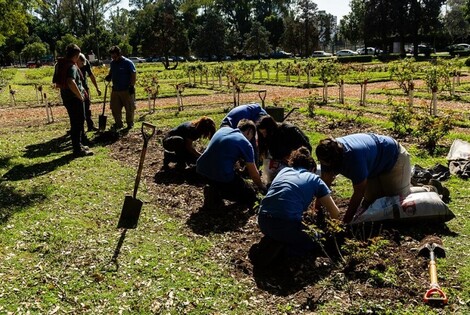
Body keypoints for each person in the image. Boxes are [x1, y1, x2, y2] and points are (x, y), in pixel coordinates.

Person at [256, 147, 339, 262]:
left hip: (263, 221)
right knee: (316, 239)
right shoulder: (315, 179)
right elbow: (335, 212)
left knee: (285, 229)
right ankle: (284, 251)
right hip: (285, 225)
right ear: (313, 169)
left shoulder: (283, 172)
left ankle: (275, 240)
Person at [315, 133, 411, 223]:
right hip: (373, 167)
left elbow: (358, 193)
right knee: (370, 202)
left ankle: (423, 189)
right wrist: (317, 210)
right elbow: (324, 184)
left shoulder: (354, 160)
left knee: (394, 202)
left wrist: (345, 222)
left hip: (394, 158)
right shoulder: (326, 154)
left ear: (334, 160)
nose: (323, 165)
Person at [196, 119, 267, 211]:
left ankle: (214, 190)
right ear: (249, 131)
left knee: (224, 181)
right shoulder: (245, 143)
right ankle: (217, 193)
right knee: (249, 195)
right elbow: (254, 175)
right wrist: (262, 186)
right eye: (252, 137)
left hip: (201, 170)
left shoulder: (223, 130)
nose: (251, 140)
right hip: (221, 175)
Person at [52, 44, 92, 157]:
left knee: (75, 122)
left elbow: (57, 84)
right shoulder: (72, 66)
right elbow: (70, 81)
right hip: (74, 99)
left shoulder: (61, 64)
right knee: (78, 123)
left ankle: (78, 145)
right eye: (78, 55)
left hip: (67, 98)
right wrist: (79, 95)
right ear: (75, 55)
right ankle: (77, 149)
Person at [256, 115, 312, 182]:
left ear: (271, 129)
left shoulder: (290, 130)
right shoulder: (268, 137)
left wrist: (293, 158)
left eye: (265, 132)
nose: (264, 135)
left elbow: (306, 148)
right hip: (280, 163)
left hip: (296, 162)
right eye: (262, 133)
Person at [105, 46, 136, 130]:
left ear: (119, 54)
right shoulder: (113, 63)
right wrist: (109, 76)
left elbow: (133, 74)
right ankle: (118, 124)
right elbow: (111, 72)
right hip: (115, 90)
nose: (113, 58)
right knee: (115, 108)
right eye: (112, 57)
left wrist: (132, 86)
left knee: (129, 108)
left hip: (127, 89)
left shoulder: (128, 63)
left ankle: (130, 124)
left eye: (115, 57)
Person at [77, 53, 102, 132]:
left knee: (87, 106)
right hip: (75, 88)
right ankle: (78, 129)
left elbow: (91, 75)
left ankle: (90, 126)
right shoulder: (72, 64)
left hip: (84, 88)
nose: (82, 65)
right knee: (78, 109)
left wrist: (97, 88)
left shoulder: (85, 62)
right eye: (81, 63)